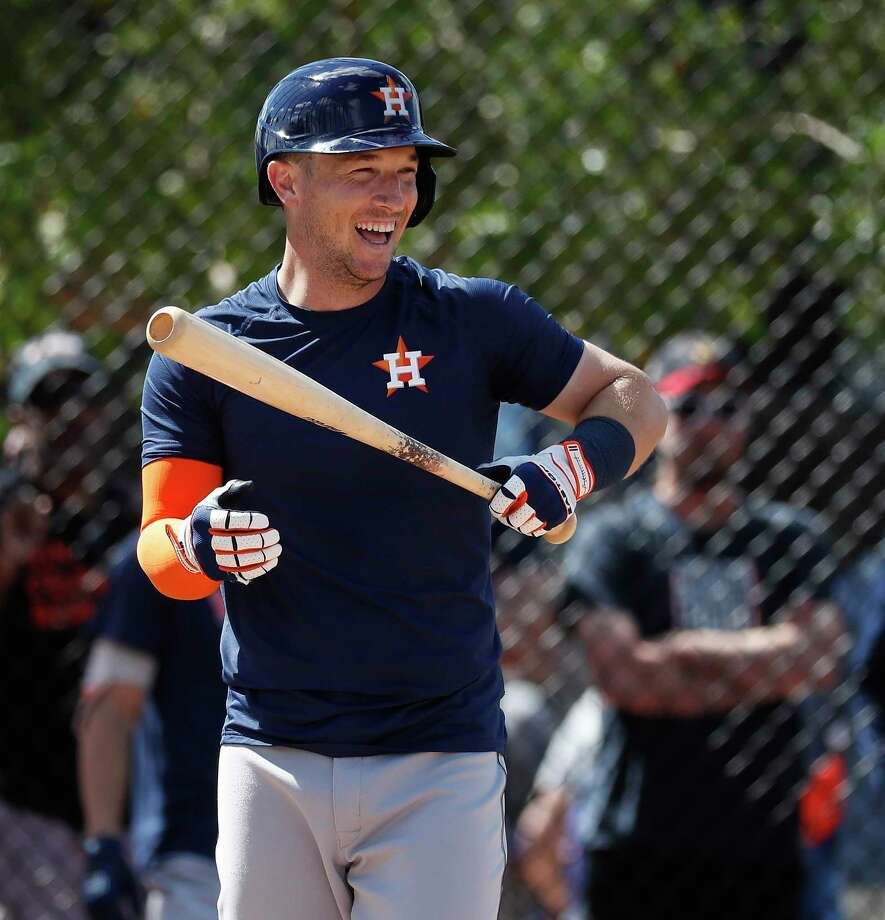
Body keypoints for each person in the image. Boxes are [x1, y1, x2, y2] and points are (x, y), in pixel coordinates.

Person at [136, 57, 667, 920]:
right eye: (361, 171)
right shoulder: (205, 353)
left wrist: (571, 467)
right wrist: (202, 543)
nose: (393, 199)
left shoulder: (471, 318)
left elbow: (637, 399)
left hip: (437, 756)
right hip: (270, 753)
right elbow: (163, 551)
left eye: (406, 174)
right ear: (285, 181)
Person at [561, 331, 846, 920]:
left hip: (761, 849)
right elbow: (625, 678)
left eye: (729, 407)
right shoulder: (614, 539)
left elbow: (817, 659)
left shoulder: (791, 540)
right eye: (691, 407)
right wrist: (764, 665)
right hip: (638, 843)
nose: (712, 423)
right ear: (660, 416)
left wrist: (681, 656)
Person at [0, 331, 137, 919]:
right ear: (22, 421)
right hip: (27, 800)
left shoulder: (131, 516)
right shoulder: (8, 511)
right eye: (51, 404)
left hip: (134, 802)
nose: (70, 421)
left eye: (82, 401)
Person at [76, 531, 227, 920]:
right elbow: (110, 708)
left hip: (304, 841)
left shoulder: (308, 538)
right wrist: (103, 841)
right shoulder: (159, 552)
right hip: (191, 852)